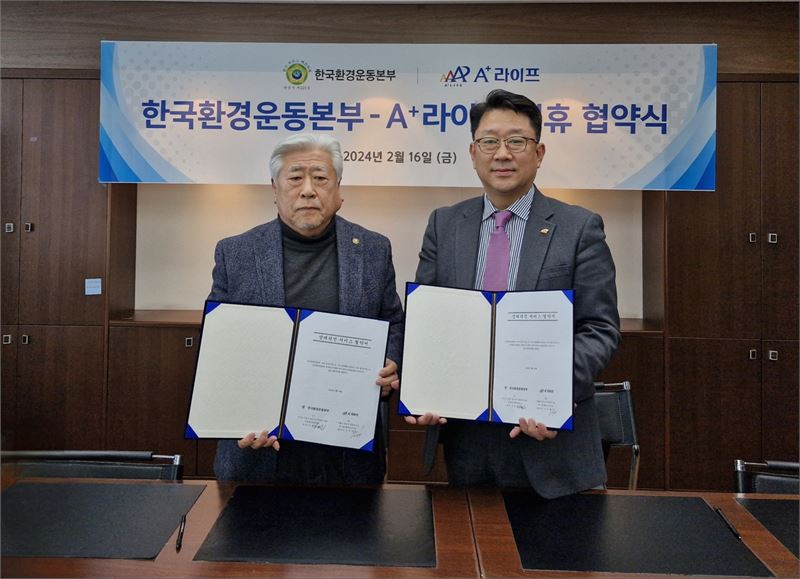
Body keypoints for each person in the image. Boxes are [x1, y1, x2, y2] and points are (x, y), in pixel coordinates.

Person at [407, 89, 620, 498]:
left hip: (551, 445)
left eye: (516, 141)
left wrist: (551, 392)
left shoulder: (579, 228)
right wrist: (424, 386)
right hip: (467, 441)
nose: (502, 153)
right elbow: (427, 324)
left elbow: (599, 329)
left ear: (538, 153)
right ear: (473, 153)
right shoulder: (444, 225)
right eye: (489, 142)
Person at [208, 133, 403, 485]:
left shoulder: (373, 249)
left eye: (321, 178)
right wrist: (234, 415)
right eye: (295, 178)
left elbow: (394, 323)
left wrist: (390, 362)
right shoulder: (235, 253)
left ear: (338, 189)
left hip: (347, 451)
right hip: (261, 449)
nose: (308, 190)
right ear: (274, 188)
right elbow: (218, 347)